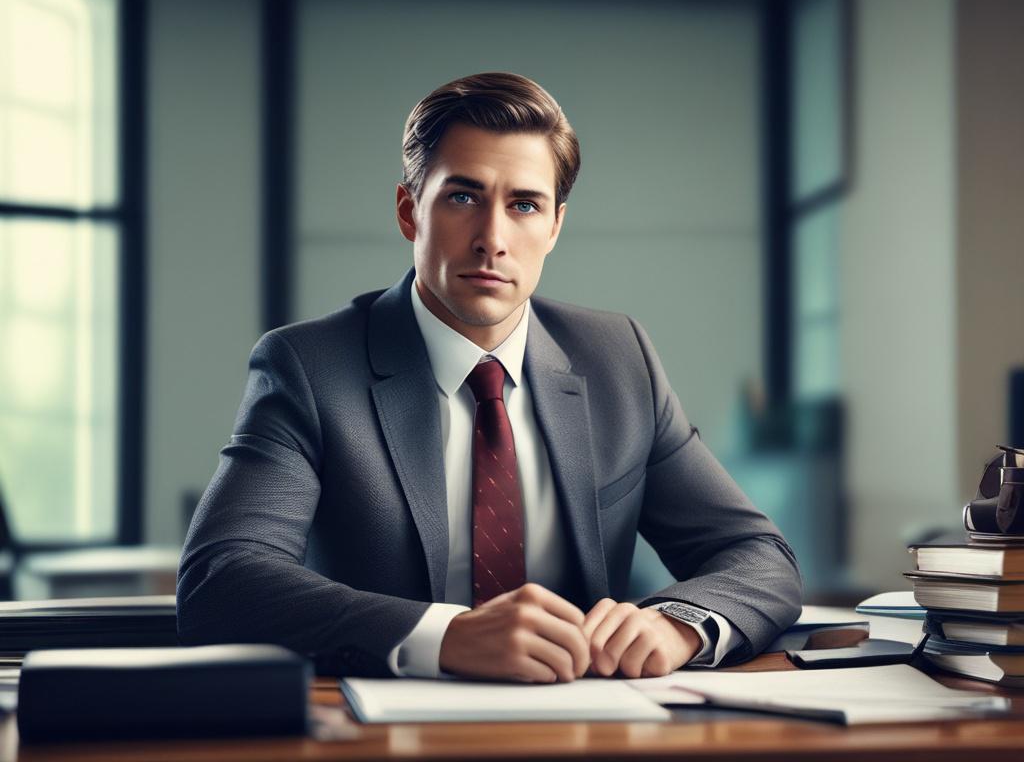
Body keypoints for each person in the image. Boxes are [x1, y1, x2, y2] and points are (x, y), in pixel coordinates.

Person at [177, 72, 802, 682]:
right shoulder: (309, 367)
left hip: (588, 723)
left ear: (554, 226)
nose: (492, 239)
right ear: (408, 211)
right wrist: (443, 635)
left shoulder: (618, 359)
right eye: (462, 197)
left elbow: (758, 557)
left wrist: (679, 624)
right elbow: (221, 578)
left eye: (524, 205)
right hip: (384, 729)